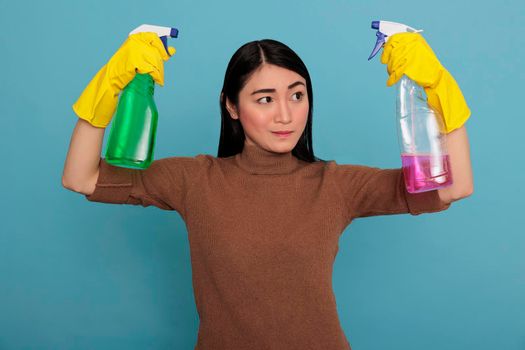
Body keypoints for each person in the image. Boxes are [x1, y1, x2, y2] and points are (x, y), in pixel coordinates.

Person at [62, 32, 473, 350]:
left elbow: (453, 187)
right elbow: (81, 178)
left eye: (297, 95)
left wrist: (436, 91)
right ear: (231, 106)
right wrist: (108, 89)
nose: (285, 115)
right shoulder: (194, 180)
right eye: (264, 99)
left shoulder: (336, 185)